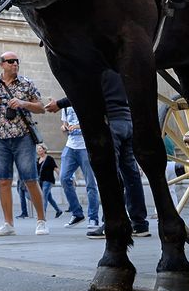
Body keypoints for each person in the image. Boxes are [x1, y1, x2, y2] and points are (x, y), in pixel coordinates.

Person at [46, 70, 149, 238]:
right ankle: (140, 224)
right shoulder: (119, 67)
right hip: (127, 121)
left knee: (110, 173)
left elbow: (83, 93)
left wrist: (59, 104)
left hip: (111, 123)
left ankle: (112, 222)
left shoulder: (97, 65)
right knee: (131, 174)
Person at [0, 51, 48, 236]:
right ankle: (8, 224)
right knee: (3, 181)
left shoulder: (27, 83)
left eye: (17, 61)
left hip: (23, 137)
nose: (15, 64)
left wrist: (23, 103)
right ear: (2, 64)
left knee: (30, 179)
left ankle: (41, 221)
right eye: (10, 61)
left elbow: (41, 108)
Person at [56, 105, 101, 234]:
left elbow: (95, 122)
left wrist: (78, 126)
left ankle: (93, 218)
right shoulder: (65, 106)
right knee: (64, 178)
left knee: (91, 184)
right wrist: (64, 128)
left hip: (86, 147)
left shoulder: (86, 100)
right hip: (70, 146)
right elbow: (64, 125)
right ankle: (77, 213)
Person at [37, 144, 63, 219]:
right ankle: (58, 210)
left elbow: (56, 168)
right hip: (40, 181)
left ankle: (42, 214)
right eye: (38, 149)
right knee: (49, 197)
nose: (39, 150)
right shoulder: (37, 160)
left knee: (44, 196)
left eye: (40, 149)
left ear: (44, 150)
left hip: (48, 180)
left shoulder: (49, 159)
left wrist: (62, 178)